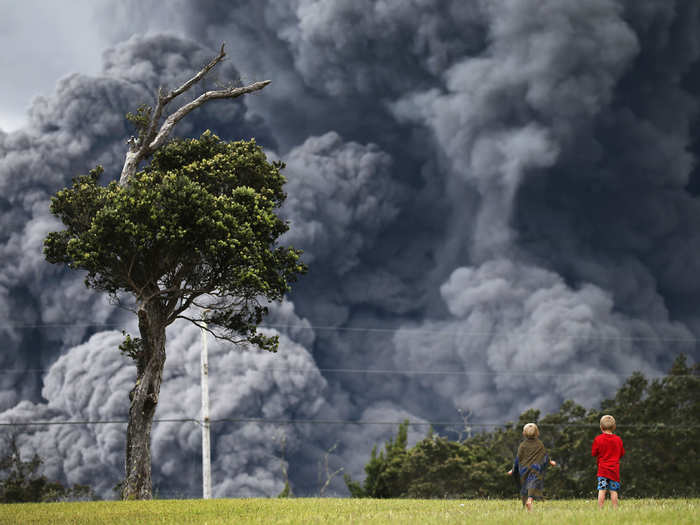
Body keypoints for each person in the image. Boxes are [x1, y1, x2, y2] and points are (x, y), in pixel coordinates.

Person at [507, 423, 556, 511]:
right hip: (535, 469)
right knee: (533, 485)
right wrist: (550, 462)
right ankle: (529, 500)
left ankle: (527, 504)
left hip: (524, 470)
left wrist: (513, 469)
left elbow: (518, 459)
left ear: (524, 433)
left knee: (525, 486)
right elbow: (544, 455)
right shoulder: (539, 444)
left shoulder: (522, 445)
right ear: (537, 433)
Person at [592, 414, 625, 509]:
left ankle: (600, 509)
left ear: (601, 427)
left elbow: (594, 453)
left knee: (602, 490)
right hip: (614, 471)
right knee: (613, 491)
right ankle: (615, 509)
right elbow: (621, 453)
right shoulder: (618, 440)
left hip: (602, 471)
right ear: (614, 427)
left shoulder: (598, 439)